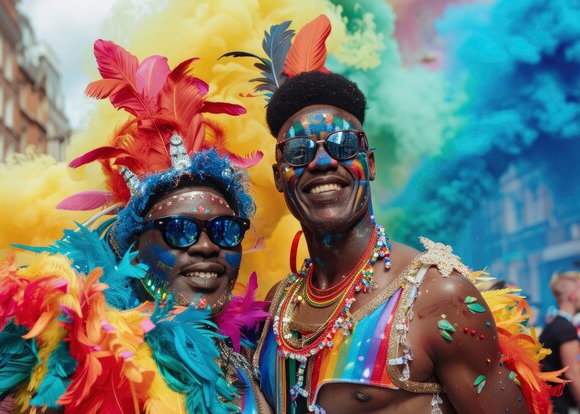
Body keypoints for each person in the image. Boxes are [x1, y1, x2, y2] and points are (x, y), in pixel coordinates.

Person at [225, 14, 560, 414]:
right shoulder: (278, 305)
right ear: (281, 178)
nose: (322, 163)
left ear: (369, 163)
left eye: (343, 145)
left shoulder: (437, 296)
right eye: (299, 152)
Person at [0, 40, 270, 413]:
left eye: (225, 230)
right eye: (179, 229)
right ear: (131, 247)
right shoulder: (76, 355)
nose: (206, 246)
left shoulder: (255, 349)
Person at [540, 271, 580, 413]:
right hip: (564, 408)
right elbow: (573, 374)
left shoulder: (553, 326)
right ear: (572, 295)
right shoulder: (565, 328)